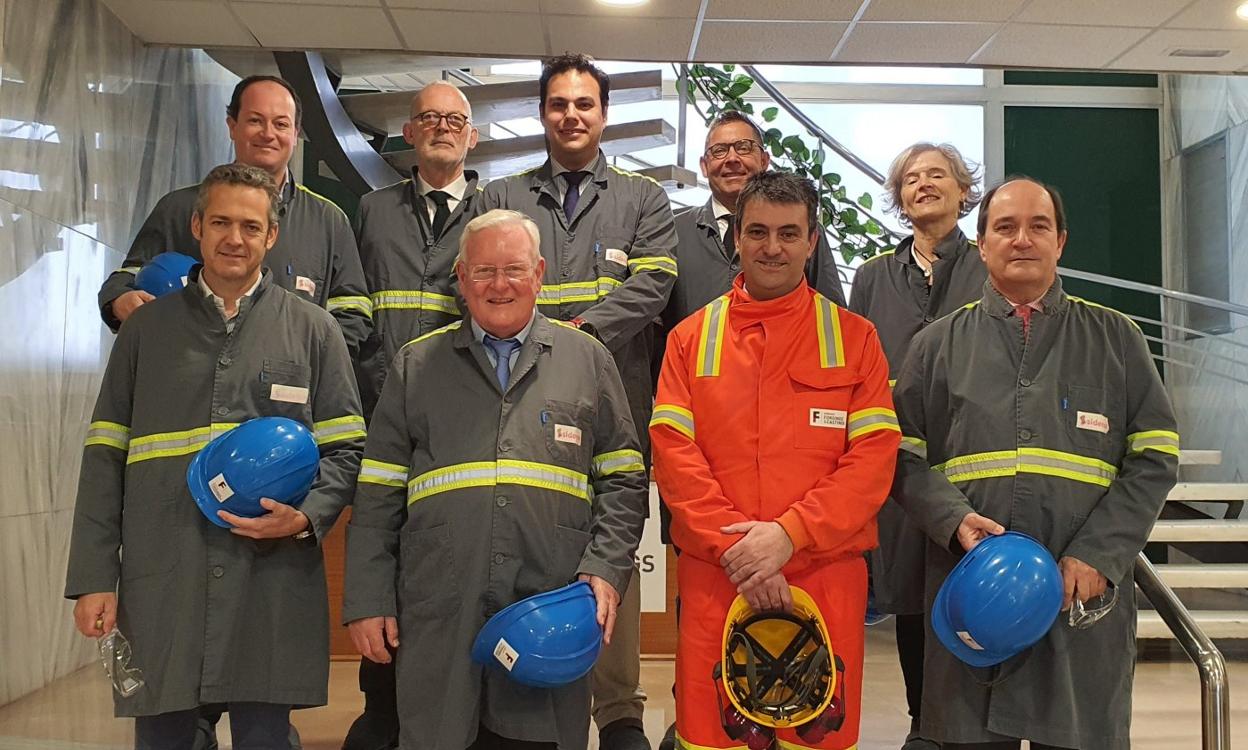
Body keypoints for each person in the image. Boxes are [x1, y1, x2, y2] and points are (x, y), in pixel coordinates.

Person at [65, 163, 365, 750]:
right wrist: (94, 578)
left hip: (270, 573)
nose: (235, 238)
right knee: (165, 735)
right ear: (197, 227)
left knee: (264, 736)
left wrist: (308, 517)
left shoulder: (313, 330)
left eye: (251, 226)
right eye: (221, 222)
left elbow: (348, 447)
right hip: (165, 571)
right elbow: (105, 456)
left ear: (271, 236)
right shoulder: (146, 332)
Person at [891, 177, 1180, 750]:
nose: (1022, 239)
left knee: (1076, 734)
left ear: (1061, 241)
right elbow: (899, 454)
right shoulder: (935, 345)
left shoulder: (1116, 338)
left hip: (1080, 598)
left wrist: (1100, 553)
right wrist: (951, 520)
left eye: (1038, 226)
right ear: (980, 244)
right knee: (965, 736)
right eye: (1005, 227)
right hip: (969, 588)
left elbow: (1155, 456)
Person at [343, 209, 648, 750]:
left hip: (548, 606)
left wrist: (604, 569)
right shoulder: (415, 366)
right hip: (440, 608)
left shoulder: (588, 360)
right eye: (483, 271)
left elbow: (623, 479)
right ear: (461, 279)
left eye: (514, 269)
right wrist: (368, 596)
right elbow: (378, 493)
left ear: (539, 273)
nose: (499, 284)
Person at [651, 171, 900, 750]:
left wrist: (789, 535)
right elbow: (674, 457)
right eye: (757, 231)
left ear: (813, 241)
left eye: (789, 234)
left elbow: (872, 462)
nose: (772, 247)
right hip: (720, 575)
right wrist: (745, 553)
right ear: (735, 236)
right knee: (712, 738)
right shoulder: (690, 339)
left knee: (816, 737)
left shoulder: (855, 339)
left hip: (824, 575)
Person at [476, 53, 677, 750]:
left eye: (584, 104)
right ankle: (525, 682)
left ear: (603, 114)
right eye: (558, 103)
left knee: (612, 546)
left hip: (612, 402)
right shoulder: (499, 197)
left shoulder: (642, 199)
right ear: (541, 114)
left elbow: (653, 286)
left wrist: (576, 334)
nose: (571, 115)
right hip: (514, 405)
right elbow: (473, 285)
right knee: (530, 533)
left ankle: (618, 709)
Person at [343, 81, 481, 750]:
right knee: (385, 550)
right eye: (429, 118)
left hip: (462, 424)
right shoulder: (371, 210)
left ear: (473, 136)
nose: (442, 128)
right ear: (408, 130)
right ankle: (382, 707)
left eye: (455, 120)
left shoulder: (496, 209)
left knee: (445, 556)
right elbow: (358, 309)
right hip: (383, 418)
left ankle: (458, 704)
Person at [847, 142, 986, 750]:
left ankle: (976, 726)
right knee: (910, 595)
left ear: (963, 191)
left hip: (973, 455)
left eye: (937, 175)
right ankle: (922, 724)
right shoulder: (873, 276)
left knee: (975, 589)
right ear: (899, 198)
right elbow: (856, 367)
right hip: (902, 463)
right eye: (910, 179)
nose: (922, 184)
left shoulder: (991, 266)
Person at [97, 74, 372, 358]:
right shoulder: (179, 208)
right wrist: (120, 301)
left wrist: (312, 363)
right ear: (232, 126)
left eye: (281, 124)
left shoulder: (329, 220)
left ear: (295, 133)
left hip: (289, 393)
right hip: (191, 384)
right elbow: (126, 279)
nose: (268, 133)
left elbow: (352, 313)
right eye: (255, 120)